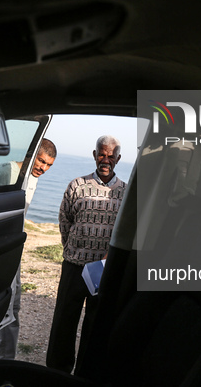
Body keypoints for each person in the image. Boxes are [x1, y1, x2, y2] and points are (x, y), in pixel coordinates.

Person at [0, 138, 57, 366]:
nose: (43, 168)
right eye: (41, 161)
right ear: (32, 153)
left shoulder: (32, 178)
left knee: (13, 306)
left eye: (48, 165)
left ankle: (5, 363)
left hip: (13, 249)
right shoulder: (3, 172)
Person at [46, 135, 127, 373]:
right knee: (64, 321)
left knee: (95, 324)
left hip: (103, 270)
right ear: (94, 155)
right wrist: (73, 249)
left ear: (118, 159)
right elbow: (65, 221)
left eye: (111, 156)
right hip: (74, 265)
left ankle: (85, 373)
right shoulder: (76, 185)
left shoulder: (125, 192)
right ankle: (56, 371)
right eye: (102, 154)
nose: (106, 160)